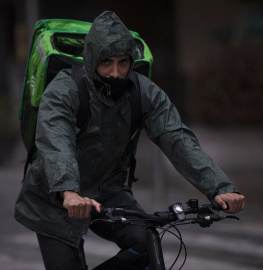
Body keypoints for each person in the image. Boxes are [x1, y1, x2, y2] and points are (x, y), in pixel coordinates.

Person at [15, 10, 245, 270]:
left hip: (109, 195)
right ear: (91, 60)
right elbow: (57, 142)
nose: (116, 73)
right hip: (54, 200)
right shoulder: (63, 90)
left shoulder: (143, 91)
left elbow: (177, 138)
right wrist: (69, 192)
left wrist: (220, 186)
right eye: (106, 63)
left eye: (123, 62)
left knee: (145, 243)